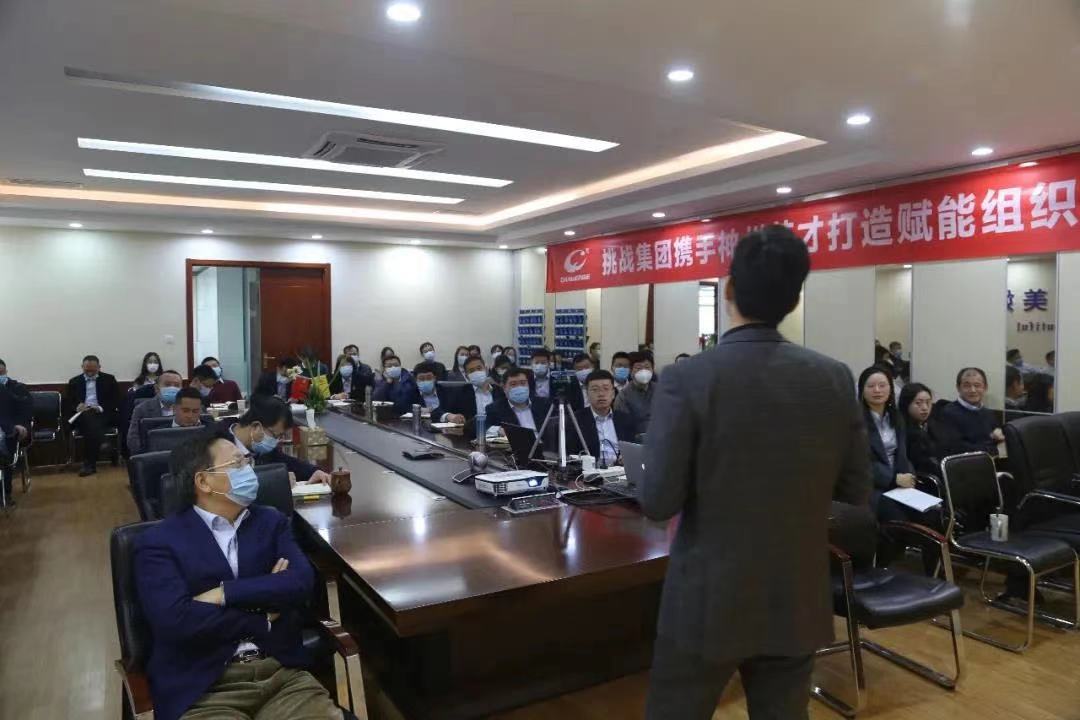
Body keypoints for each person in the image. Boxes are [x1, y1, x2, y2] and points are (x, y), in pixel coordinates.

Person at [640, 226, 871, 720]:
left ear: (728, 289)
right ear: (795, 298)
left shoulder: (687, 378)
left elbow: (658, 500)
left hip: (707, 601)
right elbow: (856, 489)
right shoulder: (833, 377)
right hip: (795, 595)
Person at [135, 432, 341, 720]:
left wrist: (224, 594)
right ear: (203, 481)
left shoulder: (271, 522)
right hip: (204, 687)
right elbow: (176, 620)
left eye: (247, 460)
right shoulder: (158, 542)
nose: (249, 469)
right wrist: (262, 616)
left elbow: (300, 582)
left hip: (282, 674)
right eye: (237, 463)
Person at [218, 395, 331, 485]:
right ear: (256, 426)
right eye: (275, 436)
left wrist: (314, 471)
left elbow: (287, 462)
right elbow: (226, 484)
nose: (276, 441)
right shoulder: (216, 444)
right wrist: (274, 479)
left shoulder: (261, 449)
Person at [64, 355, 121, 477]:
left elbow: (116, 400)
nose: (90, 372)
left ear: (99, 367)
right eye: (87, 369)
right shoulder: (74, 381)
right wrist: (77, 407)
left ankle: (89, 464)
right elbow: (67, 402)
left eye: (93, 369)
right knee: (88, 419)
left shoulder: (109, 379)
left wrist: (99, 408)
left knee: (90, 426)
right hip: (81, 415)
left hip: (102, 413)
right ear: (82, 367)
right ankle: (104, 443)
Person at [570, 369, 635, 467]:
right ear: (587, 394)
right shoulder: (575, 421)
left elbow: (633, 450)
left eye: (606, 389)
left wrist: (627, 457)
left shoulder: (626, 420)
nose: (601, 394)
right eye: (595, 390)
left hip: (621, 471)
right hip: (589, 472)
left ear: (613, 394)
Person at [937, 367, 1004, 456]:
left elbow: (998, 439)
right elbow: (957, 448)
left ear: (985, 388)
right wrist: (994, 450)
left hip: (990, 461)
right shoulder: (948, 413)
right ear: (958, 388)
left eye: (977, 385)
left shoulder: (989, 413)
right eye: (967, 386)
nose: (973, 390)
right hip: (965, 462)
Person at [127, 370, 185, 455]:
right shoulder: (142, 409)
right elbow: (132, 440)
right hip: (153, 456)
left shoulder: (189, 408)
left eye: (176, 385)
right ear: (157, 388)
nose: (172, 388)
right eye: (167, 385)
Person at [0, 359, 32, 503]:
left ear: (5, 371)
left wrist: (17, 425)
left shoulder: (18, 388)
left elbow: (25, 411)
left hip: (9, 429)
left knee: (5, 443)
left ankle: (4, 493)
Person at [437, 356, 504, 425]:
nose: (476, 372)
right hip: (472, 430)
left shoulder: (500, 391)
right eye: (472, 371)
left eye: (479, 368)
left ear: (486, 370)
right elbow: (438, 412)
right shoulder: (460, 393)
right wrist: (450, 416)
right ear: (467, 376)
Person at [485, 367, 552, 432]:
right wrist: (498, 430)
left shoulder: (544, 404)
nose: (519, 387)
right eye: (513, 384)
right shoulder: (494, 410)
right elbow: (486, 429)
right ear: (504, 388)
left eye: (523, 383)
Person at [898, 383, 943, 476]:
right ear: (906, 404)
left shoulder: (934, 424)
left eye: (928, 402)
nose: (925, 408)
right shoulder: (902, 430)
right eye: (918, 403)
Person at [614, 351, 656, 437]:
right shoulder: (623, 396)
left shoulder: (662, 390)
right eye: (638, 368)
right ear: (630, 371)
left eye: (647, 367)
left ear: (653, 369)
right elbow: (623, 427)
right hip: (637, 440)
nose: (643, 371)